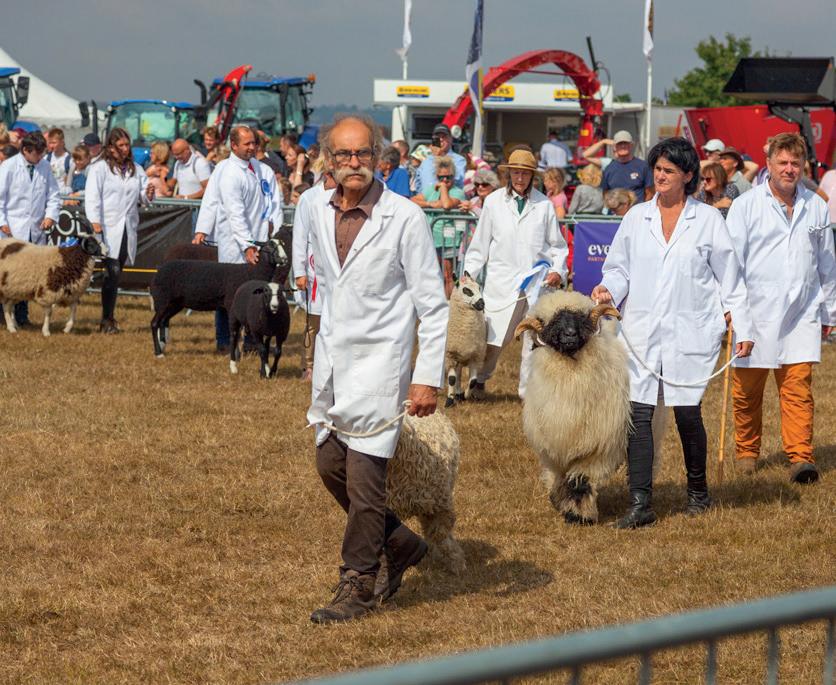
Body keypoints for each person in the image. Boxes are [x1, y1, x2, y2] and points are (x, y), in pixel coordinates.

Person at [305, 114, 448, 624]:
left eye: (363, 153)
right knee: (329, 464)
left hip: (382, 364)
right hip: (334, 361)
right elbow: (324, 284)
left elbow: (433, 306)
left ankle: (358, 583)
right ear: (328, 159)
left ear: (378, 157)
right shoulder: (313, 207)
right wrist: (313, 349)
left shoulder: (404, 218)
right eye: (344, 154)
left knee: (366, 480)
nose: (354, 163)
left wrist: (426, 377)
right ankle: (401, 542)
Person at [592, 137, 754, 528]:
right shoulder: (637, 218)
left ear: (687, 175)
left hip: (690, 329)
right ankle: (640, 503)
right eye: (657, 169)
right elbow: (619, 268)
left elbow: (730, 280)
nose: (660, 176)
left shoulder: (708, 220)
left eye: (668, 170)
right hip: (643, 329)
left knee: (686, 412)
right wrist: (608, 288)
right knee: (639, 413)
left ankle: (698, 493)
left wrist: (743, 325)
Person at [725, 132, 836, 484]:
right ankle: (746, 452)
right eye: (782, 162)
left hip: (802, 313)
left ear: (803, 166)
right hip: (754, 314)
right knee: (746, 392)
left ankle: (801, 457)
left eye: (795, 163)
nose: (789, 169)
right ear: (769, 164)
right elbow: (730, 264)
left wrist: (830, 313)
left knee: (798, 390)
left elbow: (827, 264)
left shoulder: (816, 205)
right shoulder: (746, 206)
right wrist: (731, 309)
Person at [463, 148, 568, 400]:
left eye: (525, 173)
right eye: (515, 173)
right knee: (494, 337)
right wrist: (468, 275)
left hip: (536, 284)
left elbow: (558, 246)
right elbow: (480, 244)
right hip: (501, 281)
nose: (520, 178)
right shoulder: (493, 202)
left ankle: (526, 393)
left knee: (533, 339)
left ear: (533, 176)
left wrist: (557, 270)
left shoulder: (544, 205)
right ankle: (478, 380)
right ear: (508, 174)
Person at [84, 127, 154, 333]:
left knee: (116, 272)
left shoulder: (136, 169)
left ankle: (108, 319)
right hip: (107, 227)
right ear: (111, 148)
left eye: (127, 145)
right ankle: (107, 320)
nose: (125, 149)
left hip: (127, 228)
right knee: (112, 271)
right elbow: (92, 196)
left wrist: (149, 194)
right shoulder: (100, 169)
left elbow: (143, 197)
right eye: (120, 145)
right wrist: (95, 221)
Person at [0, 131, 61, 327]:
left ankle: (22, 316)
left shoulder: (45, 167)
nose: (42, 157)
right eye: (38, 153)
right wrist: (2, 222)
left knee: (27, 275)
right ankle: (2, 315)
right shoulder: (8, 167)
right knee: (7, 275)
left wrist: (50, 216)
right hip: (11, 229)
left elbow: (53, 195)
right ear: (26, 150)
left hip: (35, 229)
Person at [293, 170, 336, 381]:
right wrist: (299, 271)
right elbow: (299, 236)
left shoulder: (347, 196)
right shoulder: (309, 198)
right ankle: (308, 366)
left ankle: (334, 366)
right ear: (328, 174)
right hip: (314, 267)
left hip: (337, 266)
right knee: (314, 321)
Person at [412, 156, 467, 297]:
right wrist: (430, 204)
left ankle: (450, 305)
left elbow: (447, 204)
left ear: (454, 177)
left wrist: (442, 189)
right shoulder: (431, 190)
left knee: (449, 276)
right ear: (436, 177)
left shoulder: (457, 191)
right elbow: (412, 200)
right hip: (432, 240)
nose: (445, 180)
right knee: (435, 276)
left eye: (448, 177)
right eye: (441, 177)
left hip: (449, 241)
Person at [600, 130, 654, 200]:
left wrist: (643, 206)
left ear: (631, 145)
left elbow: (650, 193)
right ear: (615, 147)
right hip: (615, 207)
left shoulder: (643, 166)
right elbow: (605, 194)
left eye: (626, 143)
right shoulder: (609, 169)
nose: (623, 146)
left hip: (638, 206)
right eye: (620, 143)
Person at [415, 123, 466, 193]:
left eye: (444, 137)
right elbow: (418, 184)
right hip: (426, 199)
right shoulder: (426, 160)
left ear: (450, 139)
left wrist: (440, 156)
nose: (441, 139)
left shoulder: (459, 160)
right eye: (437, 137)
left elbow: (457, 180)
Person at [46, 128, 74, 192]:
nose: (51, 146)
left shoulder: (70, 160)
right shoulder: (46, 158)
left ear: (62, 142)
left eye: (54, 143)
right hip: (50, 194)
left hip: (63, 195)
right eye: (50, 143)